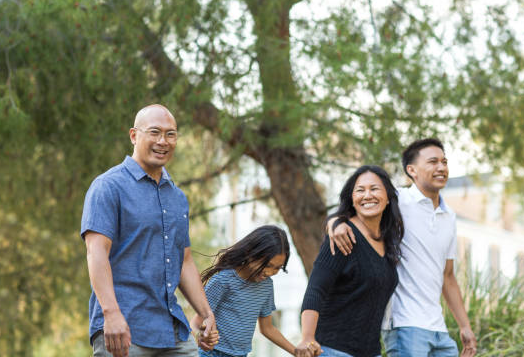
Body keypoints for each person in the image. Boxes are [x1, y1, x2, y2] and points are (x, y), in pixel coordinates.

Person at [81, 104, 216, 357]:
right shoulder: (108, 187)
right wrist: (111, 314)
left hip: (171, 330)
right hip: (123, 328)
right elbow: (95, 252)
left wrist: (206, 313)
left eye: (170, 134)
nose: (163, 141)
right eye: (154, 132)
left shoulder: (177, 197)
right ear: (134, 135)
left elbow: (184, 261)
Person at [327, 138, 477, 357]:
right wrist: (335, 224)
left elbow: (448, 276)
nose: (441, 167)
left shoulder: (449, 217)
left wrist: (465, 326)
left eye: (444, 162)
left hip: (438, 328)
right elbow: (349, 210)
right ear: (412, 170)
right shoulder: (396, 200)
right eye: (433, 162)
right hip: (404, 324)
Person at [296, 165, 405, 357]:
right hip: (331, 350)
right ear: (352, 200)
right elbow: (316, 289)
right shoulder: (342, 236)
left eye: (375, 189)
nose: (367, 195)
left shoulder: (388, 241)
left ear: (388, 197)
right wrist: (307, 338)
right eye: (360, 190)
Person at [192, 225, 310, 357]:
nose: (270, 272)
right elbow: (196, 322)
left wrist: (296, 351)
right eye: (267, 264)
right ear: (250, 253)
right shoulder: (223, 280)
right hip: (212, 354)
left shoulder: (266, 286)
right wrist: (201, 336)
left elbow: (268, 328)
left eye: (277, 268)